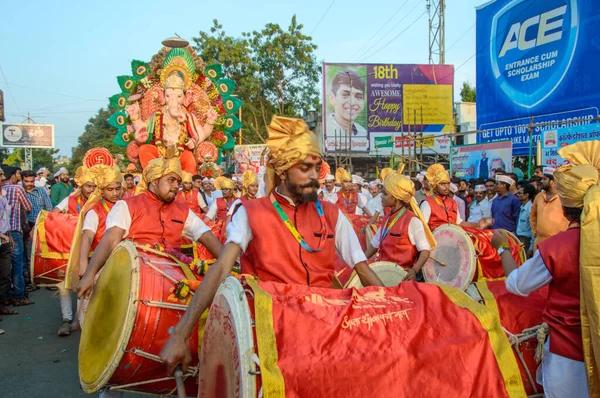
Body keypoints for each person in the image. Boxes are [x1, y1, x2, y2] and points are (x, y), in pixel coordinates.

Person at [159, 116, 383, 374]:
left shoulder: (332, 214)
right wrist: (180, 334)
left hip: (327, 329)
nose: (314, 177)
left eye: (316, 168)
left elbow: (363, 270)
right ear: (282, 171)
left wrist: (396, 311)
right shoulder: (252, 212)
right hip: (272, 332)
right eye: (304, 169)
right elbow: (221, 269)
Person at [490, 140, 600, 397]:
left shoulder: (558, 247)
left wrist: (503, 247)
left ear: (565, 205)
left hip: (569, 355)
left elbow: (517, 284)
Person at [76, 149, 223, 299]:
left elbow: (207, 236)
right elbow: (110, 241)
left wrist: (228, 267)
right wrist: (89, 274)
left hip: (176, 279)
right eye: (171, 180)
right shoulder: (127, 206)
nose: (175, 186)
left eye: (177, 182)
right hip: (134, 279)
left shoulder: (183, 211)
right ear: (154, 181)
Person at [60, 164, 123, 336]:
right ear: (101, 191)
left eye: (118, 188)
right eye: (110, 189)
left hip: (122, 260)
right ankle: (84, 327)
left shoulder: (125, 207)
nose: (115, 193)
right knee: (92, 297)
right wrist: (83, 265)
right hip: (99, 262)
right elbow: (87, 238)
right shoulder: (95, 211)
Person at [365, 171, 435, 280]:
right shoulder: (387, 217)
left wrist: (414, 270)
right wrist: (359, 262)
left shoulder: (412, 221)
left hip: (401, 277)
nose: (381, 197)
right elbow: (374, 245)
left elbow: (425, 250)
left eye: (385, 194)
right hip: (384, 274)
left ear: (396, 198)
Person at [0, 165, 33, 306]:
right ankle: (19, 296)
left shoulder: (3, 190)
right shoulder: (16, 188)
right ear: (13, 175)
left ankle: (6, 298)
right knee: (17, 264)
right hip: (13, 230)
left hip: (5, 233)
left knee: (5, 268)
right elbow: (28, 207)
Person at [420, 164, 480, 231]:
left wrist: (477, 225)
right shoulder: (427, 203)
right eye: (442, 184)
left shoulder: (453, 202)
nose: (446, 187)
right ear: (435, 186)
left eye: (448, 184)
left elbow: (459, 223)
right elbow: (422, 228)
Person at [21, 170, 53, 289]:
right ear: (22, 180)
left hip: (41, 225)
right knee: (29, 255)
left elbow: (49, 208)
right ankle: (32, 281)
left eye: (31, 181)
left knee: (45, 253)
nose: (29, 184)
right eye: (26, 181)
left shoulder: (41, 191)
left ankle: (48, 279)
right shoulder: (20, 191)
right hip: (25, 227)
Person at [530, 167, 569, 251]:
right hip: (539, 243)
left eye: (544, 179)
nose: (541, 181)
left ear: (552, 182)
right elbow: (533, 215)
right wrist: (534, 231)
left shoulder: (564, 198)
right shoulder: (539, 196)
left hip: (558, 243)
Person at [326, 69, 367, 137]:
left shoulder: (363, 133)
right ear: (332, 98)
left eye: (358, 97)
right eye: (345, 95)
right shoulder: (326, 130)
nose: (352, 103)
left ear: (363, 101)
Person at [0, 168, 16, 325]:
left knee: (5, 274)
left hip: (5, 239)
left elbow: (5, 219)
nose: (3, 178)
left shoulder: (3, 196)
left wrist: (9, 236)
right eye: (0, 175)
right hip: (1, 237)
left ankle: (2, 304)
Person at [516, 182, 535, 258]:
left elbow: (533, 229)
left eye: (520, 193)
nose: (518, 195)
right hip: (520, 239)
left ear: (527, 195)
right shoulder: (522, 207)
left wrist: (531, 247)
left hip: (527, 240)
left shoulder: (530, 208)